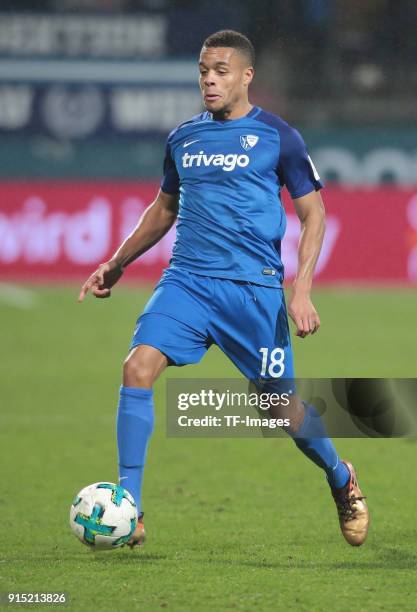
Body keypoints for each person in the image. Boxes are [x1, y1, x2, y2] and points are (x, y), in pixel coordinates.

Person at [79, 30, 369, 547]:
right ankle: (130, 508)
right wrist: (117, 261)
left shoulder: (279, 137)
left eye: (220, 71)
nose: (209, 81)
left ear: (246, 76)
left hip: (252, 292)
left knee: (281, 409)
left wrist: (301, 289)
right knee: (136, 367)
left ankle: (340, 477)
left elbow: (313, 212)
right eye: (203, 71)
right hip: (187, 281)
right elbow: (164, 208)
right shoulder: (183, 138)